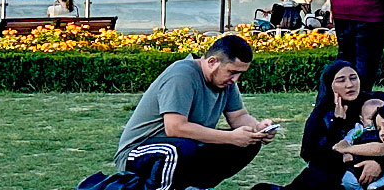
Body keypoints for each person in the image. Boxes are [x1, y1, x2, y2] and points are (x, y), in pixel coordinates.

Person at [114, 35, 278, 190]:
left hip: (183, 149)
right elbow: (176, 128)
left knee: (249, 142)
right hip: (138, 153)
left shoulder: (225, 83)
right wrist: (231, 137)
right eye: (232, 72)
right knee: (182, 147)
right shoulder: (182, 74)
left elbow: (239, 116)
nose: (235, 80)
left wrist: (258, 129)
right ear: (212, 62)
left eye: (240, 74)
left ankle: (196, 186)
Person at [262, 61, 365, 190]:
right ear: (330, 86)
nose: (349, 85)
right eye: (341, 80)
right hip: (331, 177)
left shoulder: (373, 105)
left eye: (353, 78)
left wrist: (376, 163)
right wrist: (337, 124)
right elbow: (316, 158)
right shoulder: (322, 115)